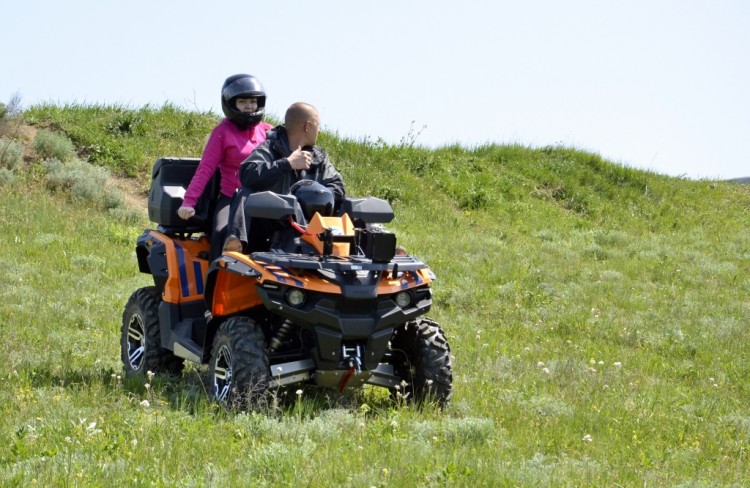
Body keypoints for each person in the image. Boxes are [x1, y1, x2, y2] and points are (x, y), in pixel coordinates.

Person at [225, 102, 346, 253]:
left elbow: (337, 185)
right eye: (318, 125)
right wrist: (287, 164)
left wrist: (318, 197)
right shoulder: (270, 147)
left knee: (350, 208)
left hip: (308, 226)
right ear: (307, 126)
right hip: (267, 223)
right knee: (243, 193)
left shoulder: (319, 158)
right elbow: (247, 173)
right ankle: (235, 246)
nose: (320, 131)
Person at [176, 74, 272, 260]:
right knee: (222, 232)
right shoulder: (222, 132)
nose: (249, 106)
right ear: (230, 104)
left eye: (252, 101)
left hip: (265, 200)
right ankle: (213, 285)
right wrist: (189, 202)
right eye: (242, 101)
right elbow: (205, 170)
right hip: (232, 198)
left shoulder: (269, 131)